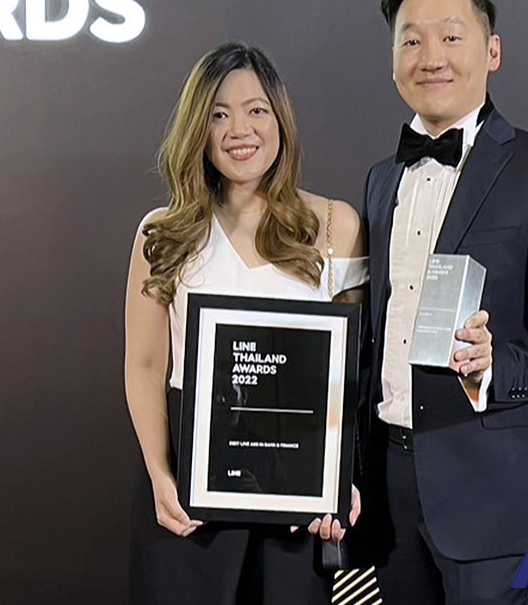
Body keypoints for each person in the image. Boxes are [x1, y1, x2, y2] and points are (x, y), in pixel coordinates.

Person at [357, 0, 528, 605]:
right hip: (391, 491)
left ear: (492, 51)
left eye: (451, 37)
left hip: (498, 499)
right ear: (393, 61)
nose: (431, 57)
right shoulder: (381, 181)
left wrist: (496, 366)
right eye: (411, 41)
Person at [124, 42, 367, 605]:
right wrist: (160, 476)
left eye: (257, 110)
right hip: (189, 484)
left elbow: (349, 372)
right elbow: (145, 365)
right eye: (219, 114)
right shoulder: (164, 231)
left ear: (280, 120)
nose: (240, 130)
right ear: (198, 128)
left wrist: (338, 477)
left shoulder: (336, 224)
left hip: (296, 495)